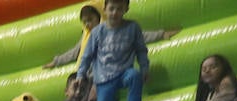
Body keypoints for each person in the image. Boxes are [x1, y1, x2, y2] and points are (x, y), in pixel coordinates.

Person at [75, 0, 149, 101]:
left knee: (135, 75)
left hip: (123, 73)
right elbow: (87, 56)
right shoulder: (97, 32)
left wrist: (144, 67)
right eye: (112, 9)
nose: (115, 12)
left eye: (119, 9)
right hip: (103, 78)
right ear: (105, 9)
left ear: (126, 9)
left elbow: (141, 50)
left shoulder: (132, 27)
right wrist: (80, 73)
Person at [43, 2, 176, 71]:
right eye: (84, 22)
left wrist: (162, 34)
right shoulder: (87, 37)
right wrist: (56, 61)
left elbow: (140, 36)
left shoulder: (110, 30)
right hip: (89, 74)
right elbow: (75, 52)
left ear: (99, 17)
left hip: (106, 73)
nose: (88, 24)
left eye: (90, 20)